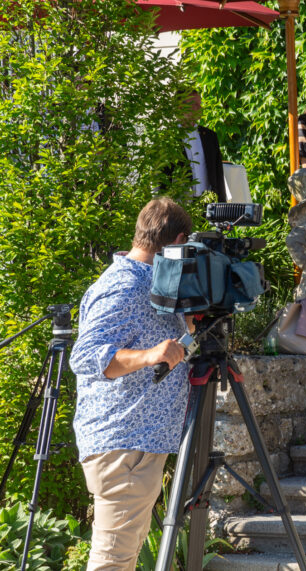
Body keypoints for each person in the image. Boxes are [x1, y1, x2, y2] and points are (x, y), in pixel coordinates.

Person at [70, 197, 193, 571]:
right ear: (178, 240)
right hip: (125, 443)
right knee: (112, 562)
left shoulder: (149, 283)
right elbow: (86, 356)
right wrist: (151, 354)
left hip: (136, 442)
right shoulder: (125, 286)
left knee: (121, 558)